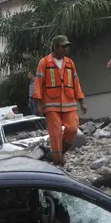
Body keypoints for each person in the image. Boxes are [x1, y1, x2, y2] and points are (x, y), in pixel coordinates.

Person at [32, 35, 87, 166]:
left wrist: (82, 102)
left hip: (69, 103)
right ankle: (58, 160)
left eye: (66, 46)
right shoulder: (44, 62)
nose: (65, 49)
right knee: (55, 133)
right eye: (63, 46)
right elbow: (38, 84)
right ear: (55, 47)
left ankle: (60, 153)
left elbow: (76, 83)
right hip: (51, 105)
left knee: (73, 129)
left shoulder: (70, 63)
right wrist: (38, 105)